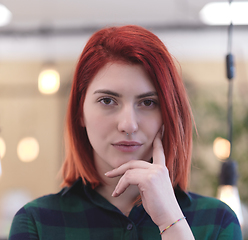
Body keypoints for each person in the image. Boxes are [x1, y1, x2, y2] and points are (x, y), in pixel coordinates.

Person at [9, 25, 242, 240]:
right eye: (108, 100)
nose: (128, 125)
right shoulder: (37, 223)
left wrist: (171, 222)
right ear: (80, 111)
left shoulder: (217, 222)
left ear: (168, 115)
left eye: (148, 102)